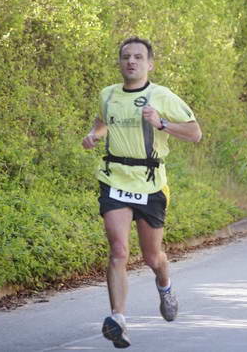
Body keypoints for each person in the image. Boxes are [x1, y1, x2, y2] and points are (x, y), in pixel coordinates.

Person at [82, 36, 202, 348]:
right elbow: (102, 121)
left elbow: (195, 133)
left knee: (152, 257)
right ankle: (118, 319)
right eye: (126, 57)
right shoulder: (108, 95)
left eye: (138, 57)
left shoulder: (161, 95)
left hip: (150, 183)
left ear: (149, 64)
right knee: (119, 250)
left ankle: (165, 285)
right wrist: (94, 135)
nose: (131, 62)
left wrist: (161, 123)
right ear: (120, 63)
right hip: (115, 179)